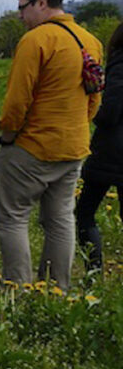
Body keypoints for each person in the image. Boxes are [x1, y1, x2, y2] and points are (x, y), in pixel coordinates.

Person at [0, 0, 103, 291]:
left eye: (23, 7)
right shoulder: (89, 40)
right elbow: (94, 95)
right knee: (60, 220)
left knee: (12, 217)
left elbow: (17, 100)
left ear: (42, 3)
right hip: (74, 147)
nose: (20, 15)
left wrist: (9, 136)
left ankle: (17, 291)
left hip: (33, 147)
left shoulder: (36, 40)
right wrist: (77, 126)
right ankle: (56, 290)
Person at [76, 19, 123, 272]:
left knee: (85, 213)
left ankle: (93, 274)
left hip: (111, 152)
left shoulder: (120, 64)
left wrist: (94, 114)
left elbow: (112, 110)